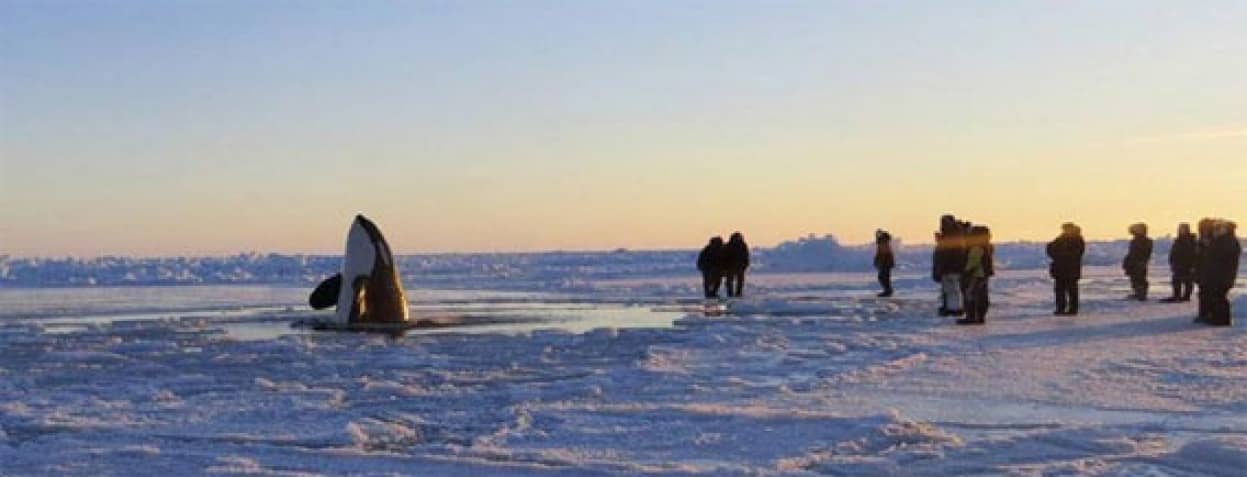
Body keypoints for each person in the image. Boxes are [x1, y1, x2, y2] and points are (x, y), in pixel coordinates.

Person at [1201, 220, 1240, 326]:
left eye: (1219, 229)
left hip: (1223, 276)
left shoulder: (1228, 241)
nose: (1216, 231)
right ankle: (1217, 318)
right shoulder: (1219, 241)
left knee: (1219, 297)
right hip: (1216, 276)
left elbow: (1223, 258)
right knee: (1215, 297)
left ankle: (1222, 320)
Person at [1046, 222, 1085, 315]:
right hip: (1060, 270)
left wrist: (1062, 255)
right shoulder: (1060, 239)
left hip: (1071, 270)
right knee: (1060, 291)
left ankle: (1072, 309)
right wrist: (1057, 255)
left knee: (1072, 291)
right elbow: (1050, 248)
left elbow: (1076, 253)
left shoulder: (1077, 240)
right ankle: (1060, 308)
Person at [958, 225, 994, 325]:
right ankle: (980, 316)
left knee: (971, 295)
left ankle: (971, 317)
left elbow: (973, 262)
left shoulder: (976, 247)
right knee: (981, 295)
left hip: (976, 275)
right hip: (983, 275)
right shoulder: (987, 247)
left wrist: (966, 272)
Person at [932, 214, 966, 316]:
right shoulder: (954, 235)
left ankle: (955, 308)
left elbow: (948, 253)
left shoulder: (952, 237)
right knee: (949, 289)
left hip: (951, 267)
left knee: (953, 289)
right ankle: (950, 307)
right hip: (949, 267)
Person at [1161, 223, 1198, 303]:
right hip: (1178, 264)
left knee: (1188, 281)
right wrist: (1172, 261)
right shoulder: (1178, 240)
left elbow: (1194, 253)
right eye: (1180, 229)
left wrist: (1193, 265)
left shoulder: (1192, 240)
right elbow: (1174, 252)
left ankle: (1186, 296)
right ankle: (1176, 295)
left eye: (1183, 229)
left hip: (1188, 264)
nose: (1181, 231)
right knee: (1176, 280)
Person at [1122, 223, 1153, 301]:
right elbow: (1131, 253)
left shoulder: (1145, 241)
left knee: (1139, 279)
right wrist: (1127, 262)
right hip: (1134, 263)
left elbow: (1142, 253)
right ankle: (1138, 293)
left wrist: (1138, 261)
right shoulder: (1135, 240)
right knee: (1134, 279)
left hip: (1139, 263)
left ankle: (1141, 294)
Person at [1195, 218, 1217, 322]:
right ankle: (1203, 313)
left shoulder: (1214, 240)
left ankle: (1209, 313)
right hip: (1202, 271)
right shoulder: (1201, 241)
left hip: (1211, 272)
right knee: (1203, 293)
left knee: (1210, 294)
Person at [723, 232, 750, 298]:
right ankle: (730, 294)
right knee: (730, 281)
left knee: (739, 281)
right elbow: (724, 256)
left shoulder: (743, 245)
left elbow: (746, 256)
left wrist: (745, 264)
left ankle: (738, 293)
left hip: (739, 266)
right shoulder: (729, 245)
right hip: (730, 266)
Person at [874, 229, 896, 297]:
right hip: (884, 263)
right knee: (883, 277)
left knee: (883, 277)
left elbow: (884, 253)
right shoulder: (882, 242)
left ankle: (888, 291)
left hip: (885, 263)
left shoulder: (883, 242)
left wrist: (880, 261)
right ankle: (887, 290)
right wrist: (877, 260)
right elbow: (879, 253)